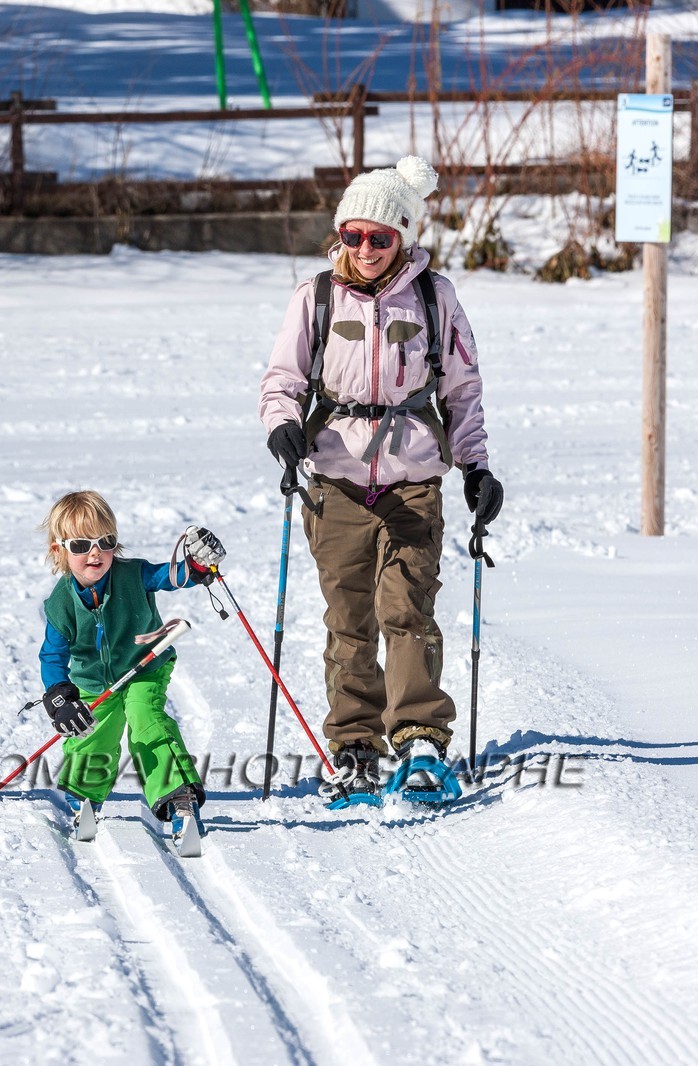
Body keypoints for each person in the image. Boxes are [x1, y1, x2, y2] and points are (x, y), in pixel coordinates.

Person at [257, 156, 503, 805]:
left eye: (380, 237)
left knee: (407, 606)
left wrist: (477, 468)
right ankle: (355, 743)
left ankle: (420, 734)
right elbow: (282, 380)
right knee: (349, 615)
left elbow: (464, 392)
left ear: (405, 238)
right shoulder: (313, 298)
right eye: (353, 236)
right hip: (333, 478)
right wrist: (282, 427)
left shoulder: (434, 298)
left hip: (414, 477)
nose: (364, 249)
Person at [36, 491, 223, 831]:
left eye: (104, 541)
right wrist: (60, 696)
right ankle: (86, 795)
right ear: (58, 551)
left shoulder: (132, 575)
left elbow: (169, 576)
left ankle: (177, 794)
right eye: (80, 545)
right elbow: (52, 655)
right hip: (92, 681)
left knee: (146, 718)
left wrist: (195, 566)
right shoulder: (60, 604)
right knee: (93, 733)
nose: (95, 553)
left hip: (144, 668)